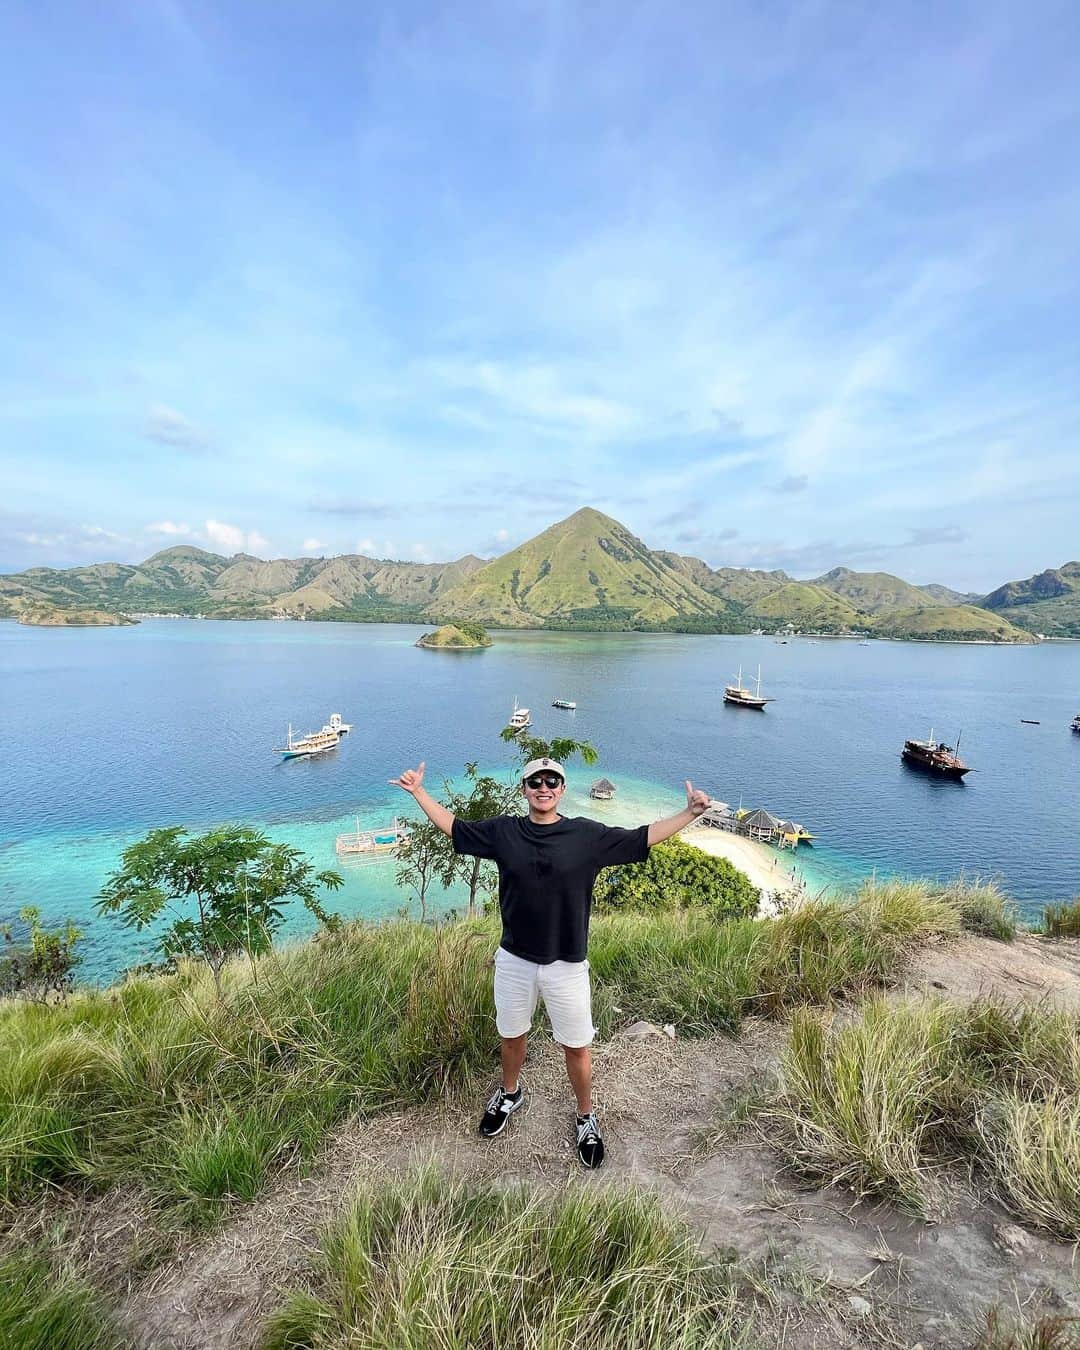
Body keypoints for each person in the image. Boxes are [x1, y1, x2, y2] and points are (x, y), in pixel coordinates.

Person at [389, 755, 710, 1168]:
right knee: (511, 1035)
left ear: (562, 789)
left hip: (567, 964)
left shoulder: (586, 835)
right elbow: (455, 827)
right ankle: (510, 1094)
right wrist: (419, 793)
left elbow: (641, 837)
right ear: (524, 789)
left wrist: (689, 813)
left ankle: (585, 1116)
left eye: (552, 781)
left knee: (576, 1046)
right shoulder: (504, 832)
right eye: (535, 781)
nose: (544, 787)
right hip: (514, 960)